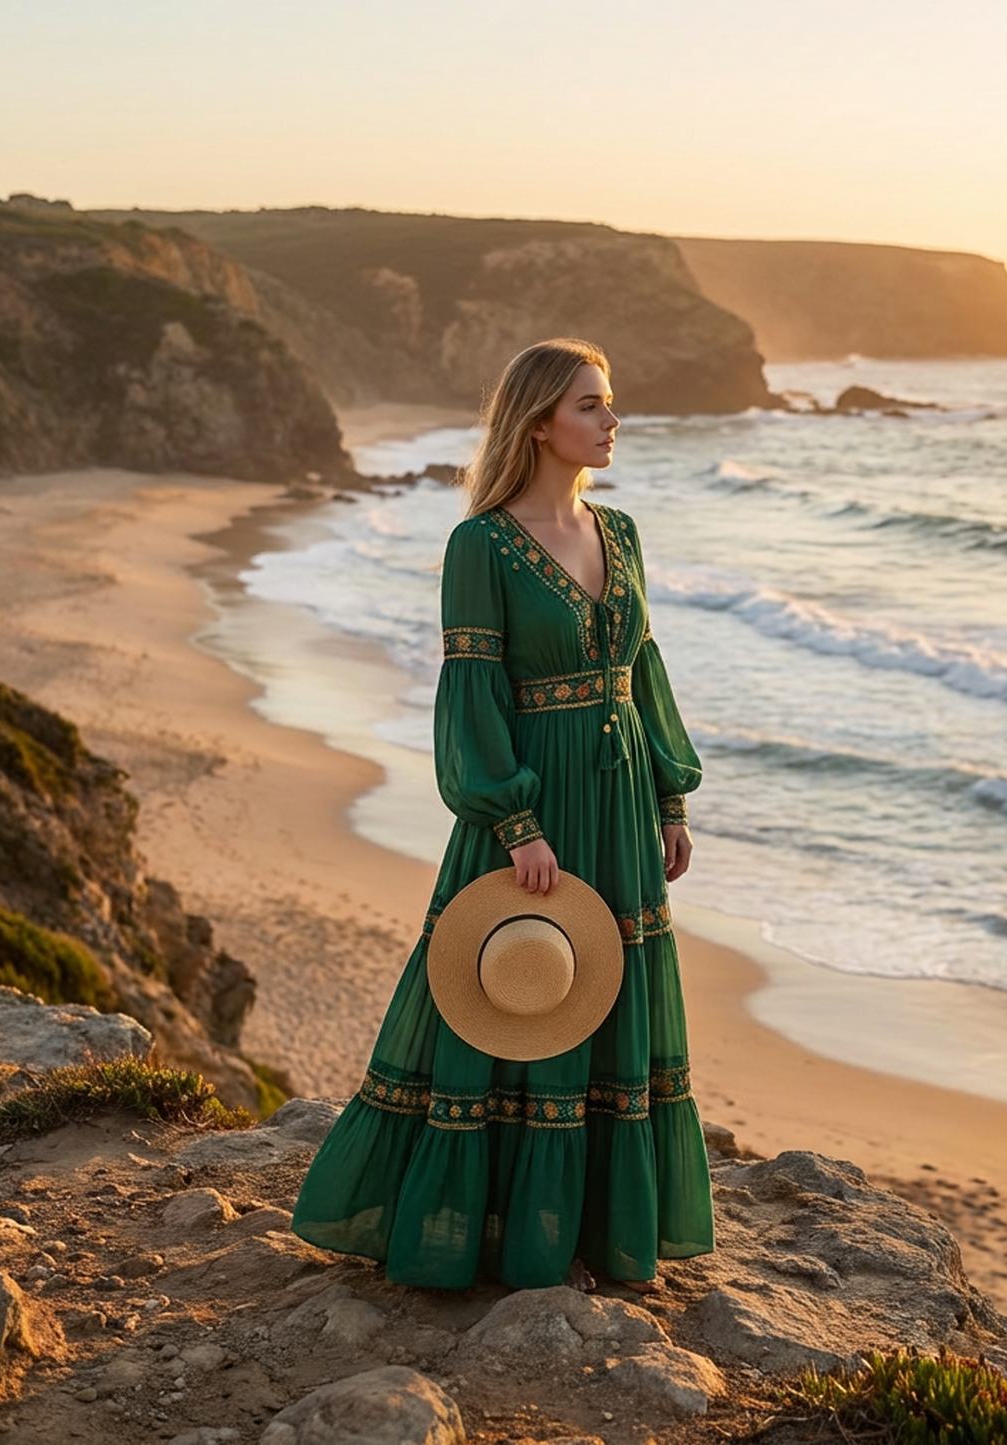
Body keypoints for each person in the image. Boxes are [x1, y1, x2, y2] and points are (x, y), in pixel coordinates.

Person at [291, 338, 714, 1291]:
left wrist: (670, 791)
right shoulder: (477, 544)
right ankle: (491, 1230)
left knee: (607, 992)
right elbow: (471, 694)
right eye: (591, 406)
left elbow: (643, 670)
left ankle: (593, 1227)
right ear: (537, 423)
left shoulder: (624, 532)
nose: (612, 421)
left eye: (610, 403)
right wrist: (514, 820)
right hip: (535, 801)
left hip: (617, 799)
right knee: (515, 991)